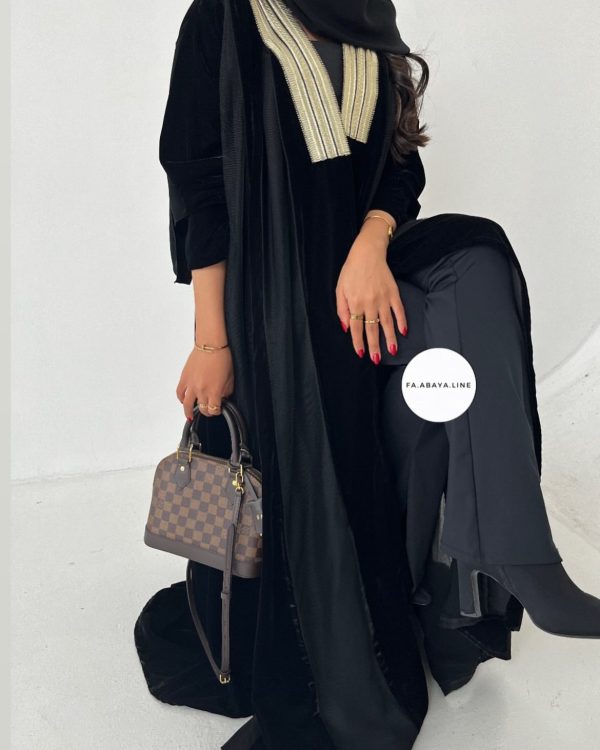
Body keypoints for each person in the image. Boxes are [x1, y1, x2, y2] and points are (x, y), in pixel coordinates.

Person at [134, 1, 600, 748]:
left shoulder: (367, 12)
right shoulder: (226, 16)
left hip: (362, 291)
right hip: (276, 315)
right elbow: (199, 186)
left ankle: (511, 550)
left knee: (475, 262)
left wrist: (372, 243)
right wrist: (212, 341)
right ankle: (394, 601)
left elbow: (398, 164)